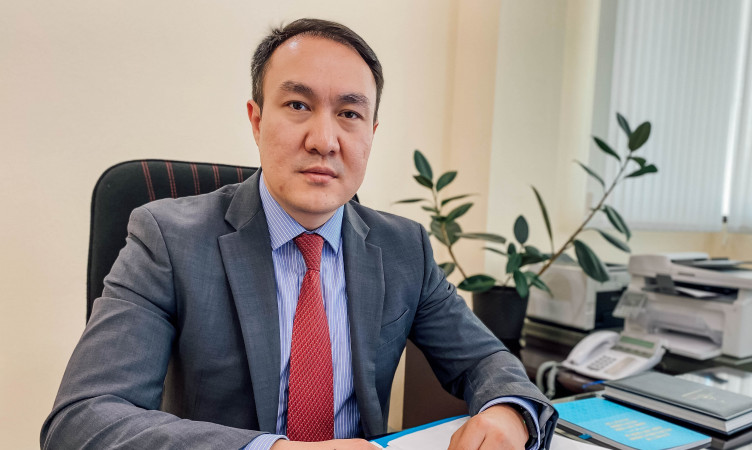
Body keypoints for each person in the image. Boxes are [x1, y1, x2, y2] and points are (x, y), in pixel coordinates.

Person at [41, 18, 557, 450]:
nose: (325, 140)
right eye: (298, 106)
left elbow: (485, 359)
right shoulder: (168, 239)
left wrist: (509, 409)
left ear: (371, 134)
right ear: (256, 119)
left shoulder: (404, 247)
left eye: (350, 114)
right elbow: (82, 419)